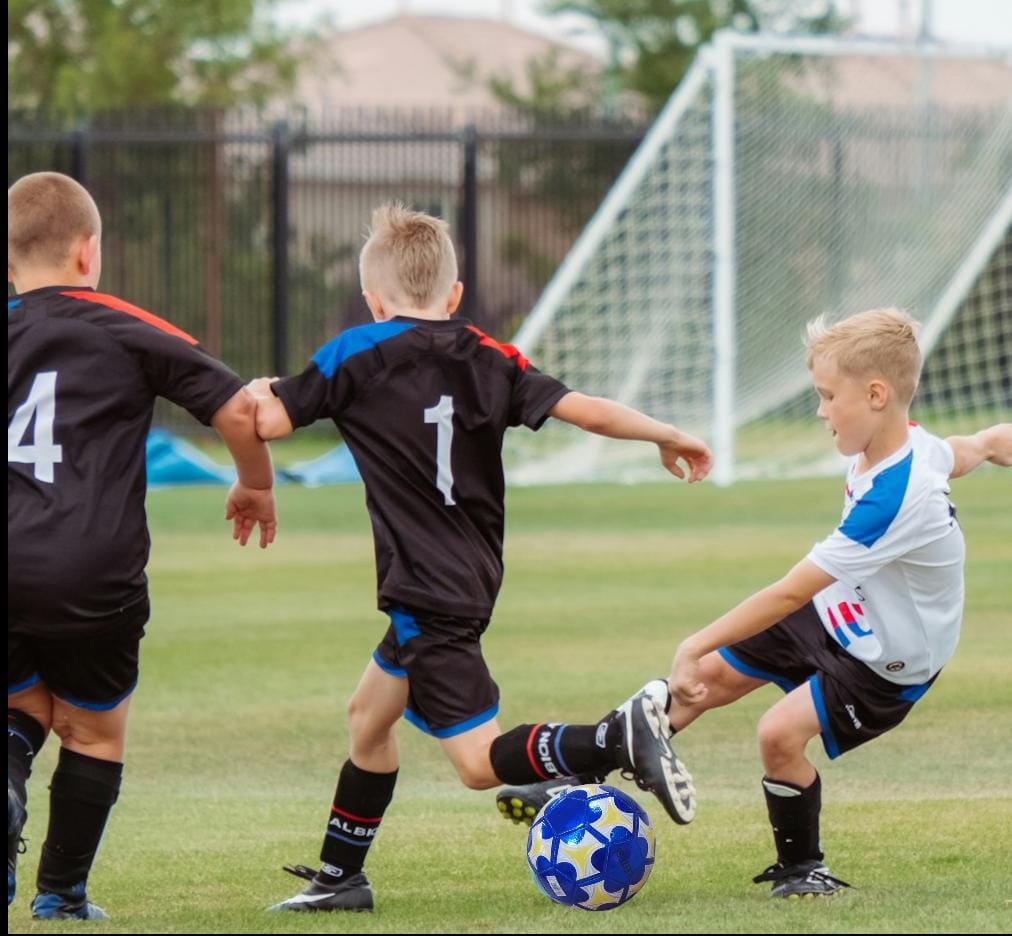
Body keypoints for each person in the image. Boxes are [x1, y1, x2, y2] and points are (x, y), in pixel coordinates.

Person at [249, 203, 712, 912]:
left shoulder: (355, 351)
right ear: (455, 295)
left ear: (373, 300)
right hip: (469, 575)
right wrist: (666, 433)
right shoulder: (490, 356)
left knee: (474, 765)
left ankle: (613, 737)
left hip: (422, 588)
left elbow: (271, 420)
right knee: (368, 718)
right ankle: (341, 877)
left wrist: (254, 393)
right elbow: (582, 407)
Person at [504, 307, 1011, 899]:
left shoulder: (900, 496)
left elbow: (791, 590)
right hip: (842, 608)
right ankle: (580, 774)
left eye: (827, 396)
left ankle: (802, 870)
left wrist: (693, 642)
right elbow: (977, 445)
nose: (819, 410)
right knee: (705, 682)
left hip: (887, 661)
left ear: (875, 394)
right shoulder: (911, 447)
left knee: (776, 734)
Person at [8, 171, 277, 920]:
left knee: (19, 706)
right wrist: (255, 483)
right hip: (92, 566)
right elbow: (235, 408)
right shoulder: (123, 324)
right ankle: (60, 895)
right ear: (90, 253)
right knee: (92, 728)